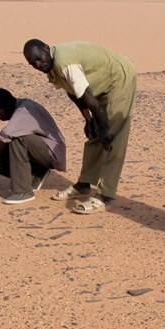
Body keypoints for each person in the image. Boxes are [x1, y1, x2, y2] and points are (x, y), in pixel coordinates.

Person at [23, 39, 136, 214]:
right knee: (94, 134)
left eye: (38, 59)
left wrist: (103, 125)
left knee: (112, 136)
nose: (37, 65)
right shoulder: (52, 67)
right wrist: (89, 120)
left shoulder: (65, 62)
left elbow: (86, 94)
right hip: (100, 85)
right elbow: (73, 93)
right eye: (32, 63)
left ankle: (105, 195)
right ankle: (84, 184)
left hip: (119, 78)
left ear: (46, 48)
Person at [0, 88, 67, 205]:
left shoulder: (24, 110)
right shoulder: (17, 108)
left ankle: (23, 192)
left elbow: (7, 134)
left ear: (9, 105)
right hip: (38, 150)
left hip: (53, 153)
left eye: (0, 114)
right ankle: (36, 175)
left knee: (17, 139)